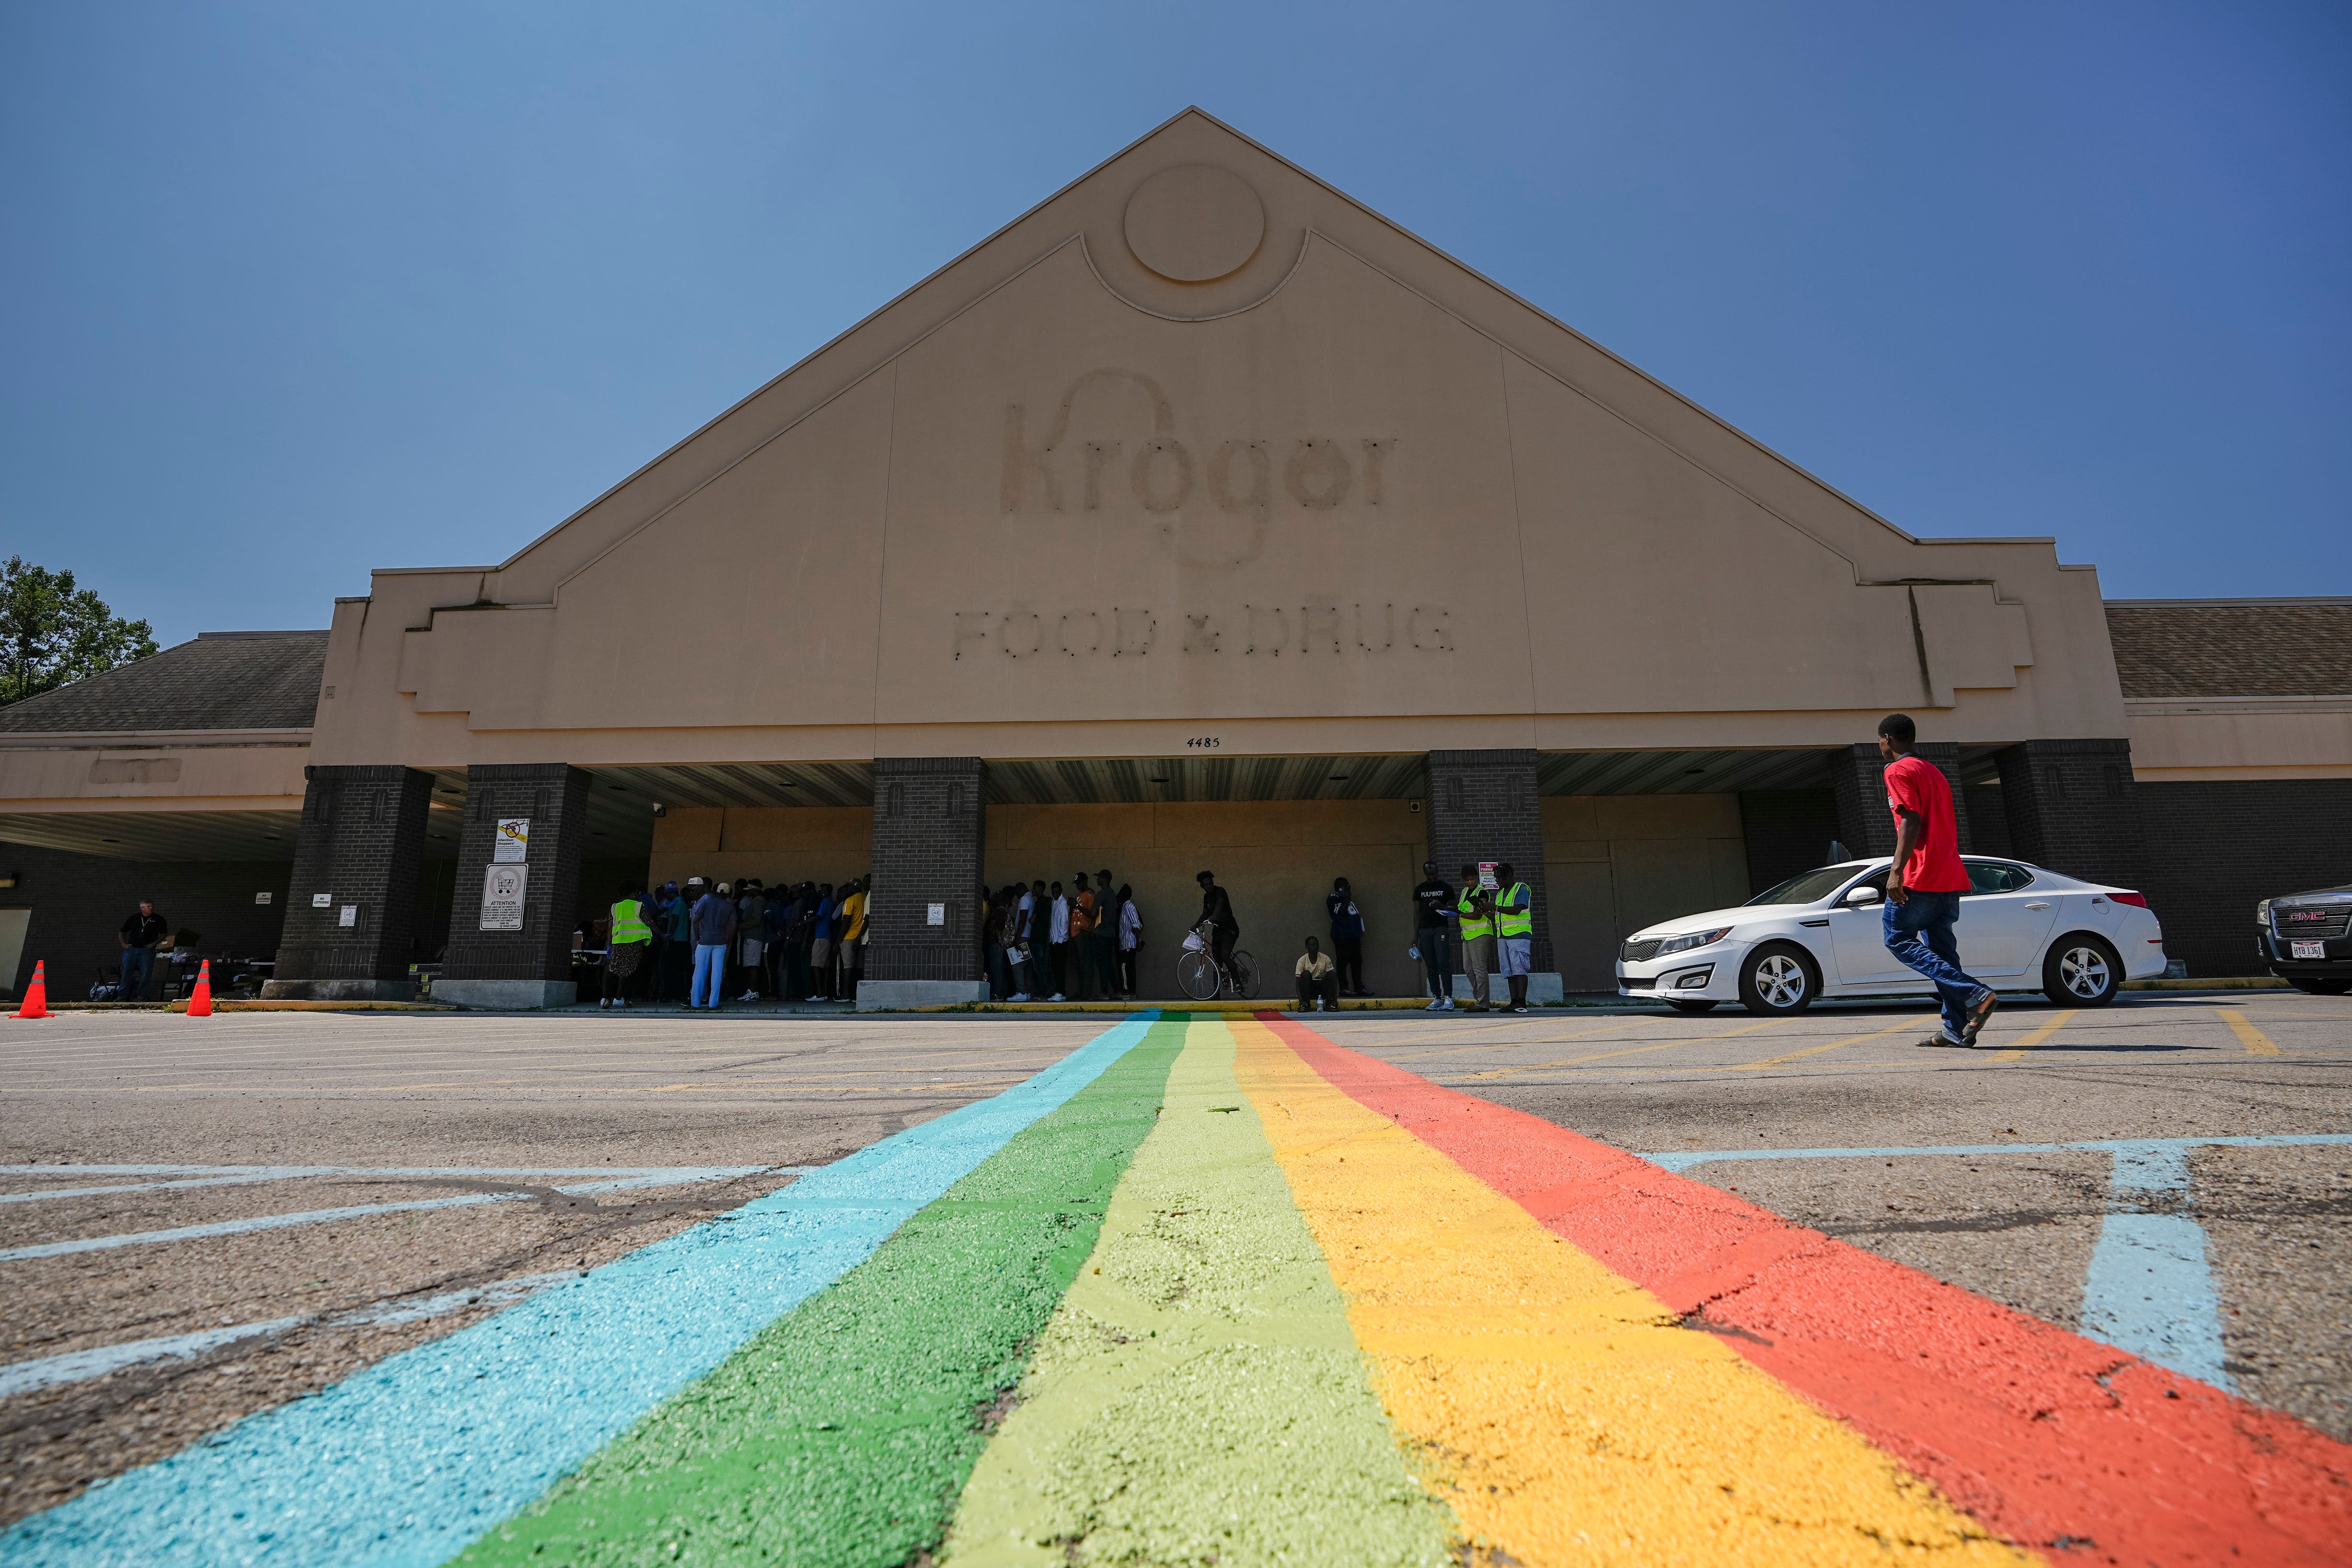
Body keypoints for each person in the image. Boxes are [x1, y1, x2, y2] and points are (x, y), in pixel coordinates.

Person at [1877, 713, 1998, 1047]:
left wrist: (1896, 871)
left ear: (1887, 738)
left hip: (1922, 874)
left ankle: (1975, 994)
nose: (1881, 747)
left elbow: (1911, 820)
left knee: (1898, 938)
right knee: (1943, 951)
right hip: (1950, 875)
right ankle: (1956, 1029)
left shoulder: (1897, 770)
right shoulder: (1933, 771)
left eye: (1880, 741)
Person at [1412, 861, 1456, 1012]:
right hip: (1425, 930)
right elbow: (1417, 913)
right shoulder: (1420, 889)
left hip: (1441, 928)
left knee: (1443, 962)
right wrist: (1415, 935)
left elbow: (1456, 908)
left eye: (1434, 874)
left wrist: (1442, 907)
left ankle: (1449, 997)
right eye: (1429, 874)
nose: (1432, 877)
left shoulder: (1446, 888)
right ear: (1425, 874)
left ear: (1438, 872)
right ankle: (1437, 997)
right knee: (1431, 965)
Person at [602, 883, 652, 1009]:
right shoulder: (638, 906)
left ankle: (608, 1000)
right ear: (634, 894)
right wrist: (662, 934)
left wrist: (609, 945)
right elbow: (649, 921)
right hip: (634, 945)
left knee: (613, 970)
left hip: (618, 943)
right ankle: (627, 1000)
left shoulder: (615, 907)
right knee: (631, 972)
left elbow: (610, 927)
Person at [1493, 862, 1534, 1014]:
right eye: (1496, 878)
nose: (1498, 881)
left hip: (1519, 935)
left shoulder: (1521, 888)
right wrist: (1485, 911)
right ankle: (1513, 1002)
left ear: (1509, 875)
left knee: (1519, 968)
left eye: (1500, 878)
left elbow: (1517, 909)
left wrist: (1494, 908)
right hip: (1503, 936)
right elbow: (1498, 915)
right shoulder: (1500, 893)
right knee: (1508, 970)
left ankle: (1521, 1003)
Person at [689, 880, 736, 1009]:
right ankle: (713, 1004)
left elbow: (696, 921)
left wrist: (698, 938)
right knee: (717, 973)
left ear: (716, 892)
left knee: (699, 972)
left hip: (704, 941)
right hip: (720, 942)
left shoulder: (707, 902)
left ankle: (695, 1003)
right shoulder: (729, 907)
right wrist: (729, 939)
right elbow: (733, 925)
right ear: (728, 894)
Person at [1456, 864, 1496, 1012]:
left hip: (1480, 934)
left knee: (1479, 968)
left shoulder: (1482, 891)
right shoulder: (1465, 892)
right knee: (1468, 969)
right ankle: (1479, 998)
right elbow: (1462, 909)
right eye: (1467, 880)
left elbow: (1479, 913)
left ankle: (1483, 1003)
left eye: (1472, 879)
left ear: (1477, 878)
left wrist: (1457, 914)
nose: (1470, 882)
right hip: (1467, 935)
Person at [118, 900, 167, 1002]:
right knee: (127, 972)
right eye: (148, 906)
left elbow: (163, 934)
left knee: (146, 973)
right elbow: (122, 932)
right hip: (132, 949)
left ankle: (141, 996)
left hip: (146, 950)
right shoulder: (134, 918)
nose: (151, 908)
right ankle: (122, 997)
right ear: (142, 908)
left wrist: (153, 944)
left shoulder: (158, 919)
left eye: (152, 906)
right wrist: (124, 944)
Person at [1326, 877, 1368, 996]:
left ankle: (1359, 987)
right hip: (1342, 936)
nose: (1348, 888)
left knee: (1357, 962)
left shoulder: (1347, 898)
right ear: (1340, 888)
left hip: (1354, 936)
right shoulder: (1334, 898)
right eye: (1346, 886)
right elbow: (1341, 912)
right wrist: (1348, 897)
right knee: (1343, 962)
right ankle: (1344, 988)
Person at [656, 881, 694, 1003]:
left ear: (671, 893)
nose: (666, 897)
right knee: (680, 968)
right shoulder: (680, 903)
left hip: (676, 940)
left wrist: (668, 936)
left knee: (672, 969)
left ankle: (673, 994)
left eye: (667, 894)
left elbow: (675, 921)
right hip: (682, 940)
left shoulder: (677, 904)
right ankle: (680, 993)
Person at [1196, 870, 1239, 977]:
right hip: (1218, 931)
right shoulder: (1206, 898)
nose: (1209, 887)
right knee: (1217, 962)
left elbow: (1220, 903)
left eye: (1210, 884)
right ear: (1202, 887)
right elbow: (1205, 914)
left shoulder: (1220, 891)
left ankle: (1238, 982)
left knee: (1225, 955)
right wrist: (1195, 926)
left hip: (1229, 929)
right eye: (1206, 885)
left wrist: (1215, 915)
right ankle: (1216, 993)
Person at [735, 879, 768, 1001]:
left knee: (753, 965)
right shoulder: (755, 901)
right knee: (750, 965)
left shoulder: (758, 902)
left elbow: (756, 920)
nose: (747, 892)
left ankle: (753, 992)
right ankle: (751, 991)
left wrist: (741, 926)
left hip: (755, 937)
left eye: (749, 890)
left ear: (754, 890)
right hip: (752, 937)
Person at [1069, 871, 1099, 1000]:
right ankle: (1081, 991)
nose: (1078, 885)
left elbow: (1093, 914)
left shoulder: (1089, 895)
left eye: (1080, 882)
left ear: (1085, 881)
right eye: (1076, 883)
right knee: (1078, 964)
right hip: (1075, 934)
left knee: (1086, 964)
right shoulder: (1079, 895)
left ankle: (1087, 993)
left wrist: (1076, 906)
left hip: (1084, 932)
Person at [1294, 936, 1340, 1011]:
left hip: (1322, 990)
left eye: (1317, 945)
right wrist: (1301, 1001)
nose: (1315, 947)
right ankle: (1306, 1005)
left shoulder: (1325, 958)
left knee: (1332, 974)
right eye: (1312, 945)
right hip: (1309, 991)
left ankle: (1329, 1004)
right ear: (1307, 947)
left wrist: (1335, 999)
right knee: (1305, 974)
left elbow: (1333, 980)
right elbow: (1298, 982)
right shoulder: (1302, 961)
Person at [808, 883, 837, 1001]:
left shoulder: (825, 902)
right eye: (822, 890)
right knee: (825, 966)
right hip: (827, 936)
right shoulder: (831, 902)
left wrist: (801, 923)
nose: (823, 892)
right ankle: (824, 992)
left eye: (825, 890)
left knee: (816, 965)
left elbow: (819, 917)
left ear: (830, 891)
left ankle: (819, 993)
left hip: (821, 936)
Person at [1115, 882, 1143, 999]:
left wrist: (1138, 942)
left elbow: (1137, 926)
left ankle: (1126, 992)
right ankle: (1132, 992)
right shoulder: (1126, 907)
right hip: (1127, 943)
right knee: (1130, 968)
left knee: (1124, 967)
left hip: (1129, 943)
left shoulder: (1128, 907)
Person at [1046, 880, 1071, 1001]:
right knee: (1055, 969)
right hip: (1054, 941)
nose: (1055, 894)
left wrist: (1060, 940)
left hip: (1060, 942)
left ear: (1061, 891)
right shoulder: (1053, 902)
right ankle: (1058, 992)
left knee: (1060, 969)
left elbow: (1064, 923)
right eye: (1053, 892)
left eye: (1057, 892)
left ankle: (1062, 992)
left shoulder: (1063, 903)